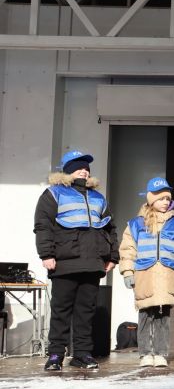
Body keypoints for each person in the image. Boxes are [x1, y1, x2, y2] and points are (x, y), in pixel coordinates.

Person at [34, 150, 119, 371]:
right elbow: (43, 225)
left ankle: (82, 353)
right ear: (67, 171)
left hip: (92, 263)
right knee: (61, 310)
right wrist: (47, 254)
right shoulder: (54, 194)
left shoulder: (98, 197)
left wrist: (112, 256)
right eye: (77, 166)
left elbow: (111, 228)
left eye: (86, 167)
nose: (83, 170)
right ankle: (55, 355)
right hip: (65, 262)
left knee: (86, 311)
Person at [119, 177, 174, 367]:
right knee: (146, 314)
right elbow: (128, 249)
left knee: (163, 316)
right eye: (161, 198)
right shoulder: (136, 224)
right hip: (145, 275)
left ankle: (161, 353)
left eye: (167, 199)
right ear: (151, 200)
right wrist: (127, 272)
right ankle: (146, 353)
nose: (165, 202)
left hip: (167, 276)